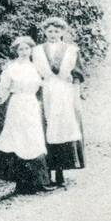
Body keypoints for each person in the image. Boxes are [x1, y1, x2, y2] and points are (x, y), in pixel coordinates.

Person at [0, 37, 51, 194]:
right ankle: (21, 183)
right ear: (16, 51)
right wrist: (0, 97)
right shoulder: (12, 67)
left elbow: (45, 83)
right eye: (20, 49)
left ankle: (38, 181)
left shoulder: (36, 67)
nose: (24, 52)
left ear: (31, 50)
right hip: (17, 104)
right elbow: (4, 86)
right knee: (18, 138)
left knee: (34, 138)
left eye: (26, 49)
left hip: (31, 104)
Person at [30, 17, 87, 186]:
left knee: (63, 127)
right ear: (45, 32)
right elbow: (32, 72)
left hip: (64, 93)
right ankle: (47, 171)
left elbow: (78, 73)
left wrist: (73, 82)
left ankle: (61, 171)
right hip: (45, 91)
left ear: (62, 32)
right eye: (49, 31)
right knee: (45, 127)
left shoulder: (71, 50)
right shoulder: (37, 51)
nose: (53, 34)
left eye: (56, 31)